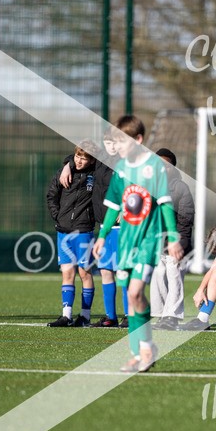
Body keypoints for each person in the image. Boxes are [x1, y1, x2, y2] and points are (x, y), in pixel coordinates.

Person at [91, 115, 182, 372]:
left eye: (121, 141)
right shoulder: (120, 169)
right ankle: (138, 353)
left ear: (138, 140)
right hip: (126, 241)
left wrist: (173, 237)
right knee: (132, 301)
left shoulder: (154, 167)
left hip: (148, 241)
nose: (117, 146)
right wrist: (102, 235)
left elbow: (164, 203)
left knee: (134, 293)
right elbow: (112, 206)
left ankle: (146, 347)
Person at [60, 130, 126, 328]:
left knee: (123, 271)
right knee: (106, 270)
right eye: (107, 142)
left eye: (113, 142)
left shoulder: (127, 162)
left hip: (123, 227)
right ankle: (110, 317)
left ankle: (130, 315)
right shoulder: (101, 160)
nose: (110, 146)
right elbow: (82, 153)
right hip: (104, 227)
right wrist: (67, 165)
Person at [45, 141, 98, 327]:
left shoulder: (96, 174)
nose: (80, 161)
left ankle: (85, 316)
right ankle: (66, 316)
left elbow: (107, 165)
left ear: (92, 160)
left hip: (84, 230)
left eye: (84, 158)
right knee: (67, 273)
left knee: (85, 273)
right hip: (64, 231)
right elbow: (51, 195)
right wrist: (58, 216)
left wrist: (68, 162)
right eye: (77, 156)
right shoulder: (64, 172)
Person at [150, 147, 195, 331]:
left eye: (166, 165)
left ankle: (173, 316)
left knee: (173, 272)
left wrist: (177, 244)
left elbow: (186, 219)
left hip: (177, 240)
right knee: (158, 274)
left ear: (173, 168)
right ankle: (161, 315)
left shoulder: (180, 187)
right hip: (156, 241)